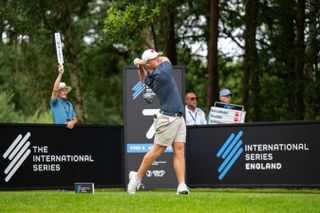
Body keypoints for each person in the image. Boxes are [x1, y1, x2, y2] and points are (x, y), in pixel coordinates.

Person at [128, 49, 189, 195]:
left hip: (178, 117)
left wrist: (141, 65)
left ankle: (181, 185)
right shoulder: (163, 72)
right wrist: (143, 64)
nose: (159, 58)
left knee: (179, 150)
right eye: (155, 58)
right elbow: (167, 58)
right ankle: (136, 179)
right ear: (150, 63)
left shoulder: (152, 75)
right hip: (168, 119)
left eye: (157, 56)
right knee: (157, 150)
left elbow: (143, 78)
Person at [50, 64, 78, 129]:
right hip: (58, 131)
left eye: (65, 90)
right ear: (58, 93)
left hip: (70, 133)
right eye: (62, 90)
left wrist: (73, 122)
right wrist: (60, 74)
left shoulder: (69, 104)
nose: (65, 92)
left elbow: (76, 119)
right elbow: (55, 90)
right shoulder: (55, 101)